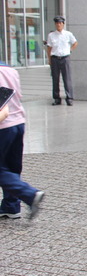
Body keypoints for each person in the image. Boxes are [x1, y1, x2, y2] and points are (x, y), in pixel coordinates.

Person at [0, 62, 45, 219]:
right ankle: (11, 207)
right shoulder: (11, 70)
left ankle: (30, 194)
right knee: (12, 167)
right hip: (18, 122)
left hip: (3, 125)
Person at [46, 15, 78, 106]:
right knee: (55, 79)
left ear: (63, 24)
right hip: (55, 58)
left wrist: (70, 50)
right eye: (57, 23)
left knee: (67, 79)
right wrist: (49, 59)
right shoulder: (51, 35)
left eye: (60, 23)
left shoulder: (68, 34)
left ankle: (69, 98)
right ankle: (56, 98)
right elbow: (49, 48)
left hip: (65, 58)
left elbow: (75, 43)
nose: (58, 25)